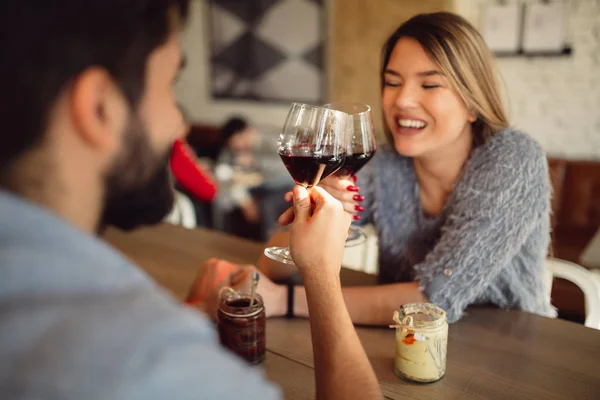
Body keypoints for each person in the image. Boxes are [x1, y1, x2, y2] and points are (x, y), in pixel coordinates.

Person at [0, 1, 382, 399]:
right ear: (99, 108)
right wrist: (321, 274)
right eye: (169, 86)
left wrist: (196, 309)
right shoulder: (148, 359)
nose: (180, 123)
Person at [255, 12, 556, 324]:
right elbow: (273, 267)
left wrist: (285, 301)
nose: (402, 100)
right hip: (403, 348)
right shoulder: (383, 165)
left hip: (513, 354)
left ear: (472, 103)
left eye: (429, 84)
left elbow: (434, 300)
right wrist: (312, 218)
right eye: (392, 82)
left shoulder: (514, 159)